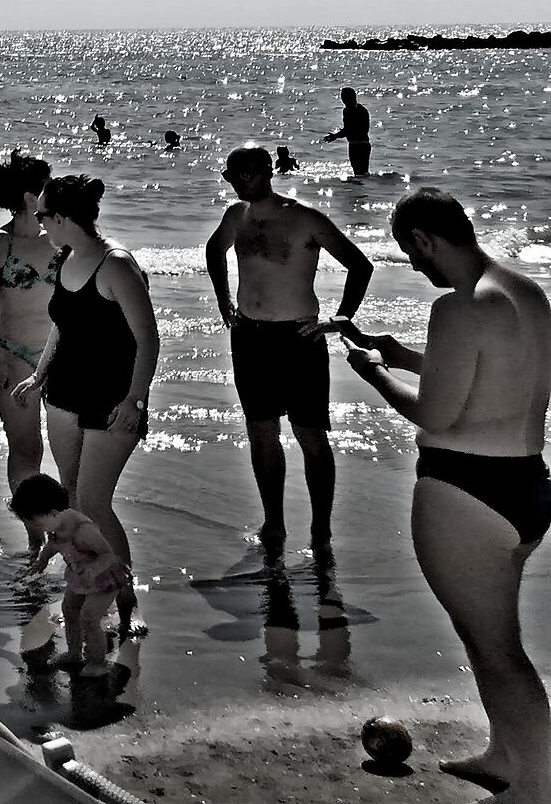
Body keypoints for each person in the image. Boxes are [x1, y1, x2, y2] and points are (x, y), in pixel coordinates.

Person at [340, 188, 551, 802]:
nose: (413, 264)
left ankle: (537, 787)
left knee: (497, 647)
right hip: (527, 484)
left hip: (467, 492)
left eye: (411, 251)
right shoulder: (524, 292)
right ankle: (506, 756)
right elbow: (490, 374)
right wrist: (400, 353)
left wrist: (373, 374)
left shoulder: (460, 307)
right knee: (488, 636)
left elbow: (436, 414)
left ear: (428, 239)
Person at [205, 142, 373, 561]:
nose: (238, 182)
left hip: (300, 339)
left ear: (267, 171)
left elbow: (360, 264)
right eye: (232, 175)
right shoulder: (235, 217)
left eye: (246, 174)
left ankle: (321, 529)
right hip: (249, 336)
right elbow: (213, 251)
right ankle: (273, 523)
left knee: (311, 434)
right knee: (261, 432)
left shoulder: (304, 218)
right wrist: (224, 300)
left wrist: (341, 318)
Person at [15, 176, 157, 638]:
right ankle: (84, 585)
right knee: (72, 496)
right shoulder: (66, 258)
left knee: (96, 501)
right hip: (64, 394)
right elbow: (64, 323)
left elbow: (147, 338)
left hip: (113, 400)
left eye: (42, 217)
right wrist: (40, 373)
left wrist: (135, 399)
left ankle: (126, 599)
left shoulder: (116, 265)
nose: (39, 226)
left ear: (61, 218)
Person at [0, 152, 55, 544]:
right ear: (27, 196)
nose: (50, 193)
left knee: (69, 444)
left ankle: (71, 527)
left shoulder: (59, 237)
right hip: (13, 354)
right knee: (27, 445)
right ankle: (35, 533)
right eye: (44, 187)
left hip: (58, 355)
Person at [13, 473, 130, 685]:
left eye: (36, 523)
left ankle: (98, 663)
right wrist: (41, 561)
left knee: (89, 617)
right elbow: (53, 545)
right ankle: (74, 653)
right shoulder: (57, 526)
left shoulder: (83, 531)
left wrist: (93, 570)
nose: (34, 528)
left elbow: (107, 555)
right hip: (80, 577)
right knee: (69, 609)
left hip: (104, 579)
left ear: (52, 512)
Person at [324, 87, 373, 176]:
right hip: (355, 144)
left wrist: (335, 136)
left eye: (344, 98)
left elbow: (350, 129)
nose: (343, 100)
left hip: (361, 145)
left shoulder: (357, 111)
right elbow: (349, 129)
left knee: (361, 173)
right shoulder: (350, 110)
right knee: (360, 174)